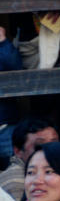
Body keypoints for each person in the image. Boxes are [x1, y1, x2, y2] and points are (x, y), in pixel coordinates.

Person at [0, 118, 59, 201]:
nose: (50, 151)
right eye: (39, 147)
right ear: (18, 151)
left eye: (55, 144)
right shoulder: (16, 183)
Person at [0, 25, 23, 163]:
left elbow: (15, 66)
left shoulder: (3, 48)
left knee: (15, 171)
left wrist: (2, 41)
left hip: (4, 128)